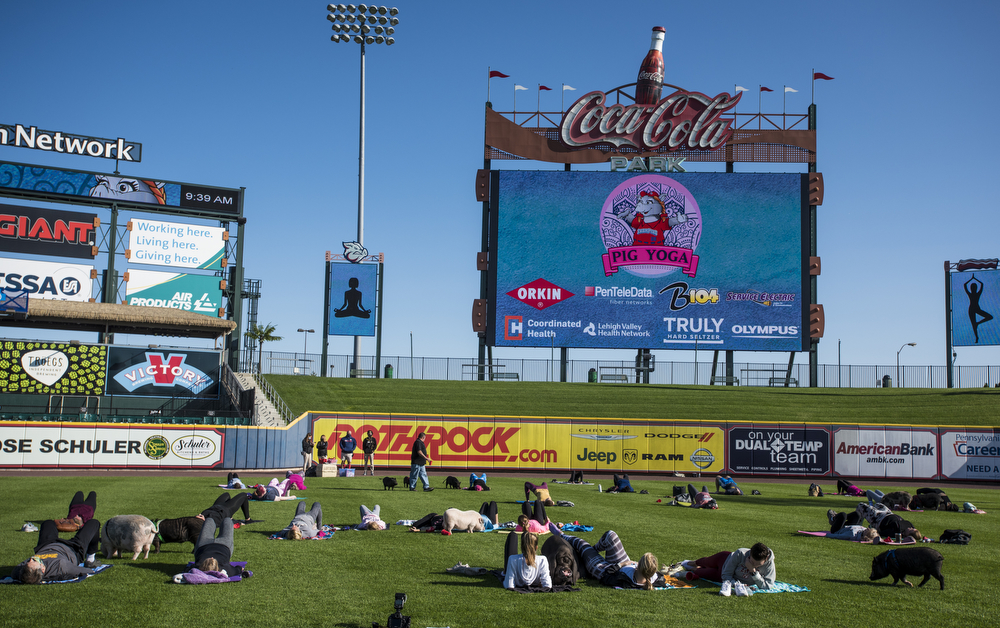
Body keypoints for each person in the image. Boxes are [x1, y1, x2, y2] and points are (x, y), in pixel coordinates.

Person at [548, 524, 661, 590]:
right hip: (625, 563)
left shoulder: (624, 580)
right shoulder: (653, 575)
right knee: (611, 535)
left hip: (605, 569)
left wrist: (622, 564)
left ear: (640, 566)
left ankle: (561, 535)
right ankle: (593, 550)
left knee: (581, 544)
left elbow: (606, 577)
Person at [10, 518, 102, 583]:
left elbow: (15, 572)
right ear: (42, 569)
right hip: (72, 548)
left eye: (28, 562)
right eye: (33, 561)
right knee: (93, 523)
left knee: (48, 523)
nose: (30, 559)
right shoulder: (61, 566)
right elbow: (86, 571)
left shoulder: (23, 570)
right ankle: (90, 559)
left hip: (46, 545)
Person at [682, 543, 775, 594]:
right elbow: (726, 574)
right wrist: (737, 584)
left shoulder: (769, 564)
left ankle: (691, 568)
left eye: (757, 564)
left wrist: (753, 572)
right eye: (752, 561)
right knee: (704, 562)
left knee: (699, 572)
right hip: (724, 559)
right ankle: (687, 563)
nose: (754, 564)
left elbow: (767, 586)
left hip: (719, 576)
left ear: (766, 559)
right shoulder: (741, 553)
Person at [965, 274, 994, 343]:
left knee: (989, 317)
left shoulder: (975, 294)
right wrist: (974, 279)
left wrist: (972, 279)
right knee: (973, 324)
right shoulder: (972, 294)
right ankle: (977, 337)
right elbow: (981, 284)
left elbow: (965, 285)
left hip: (975, 308)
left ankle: (978, 323)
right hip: (972, 309)